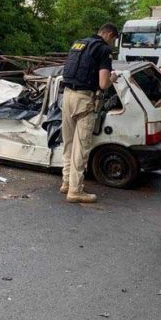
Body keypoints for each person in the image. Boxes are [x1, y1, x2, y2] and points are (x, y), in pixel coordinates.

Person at [60, 23, 119, 204]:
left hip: (67, 96)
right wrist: (112, 79)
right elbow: (103, 84)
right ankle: (75, 190)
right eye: (113, 40)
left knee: (68, 143)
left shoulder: (79, 44)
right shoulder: (103, 50)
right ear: (109, 34)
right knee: (81, 147)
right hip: (84, 101)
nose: (113, 44)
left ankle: (66, 182)